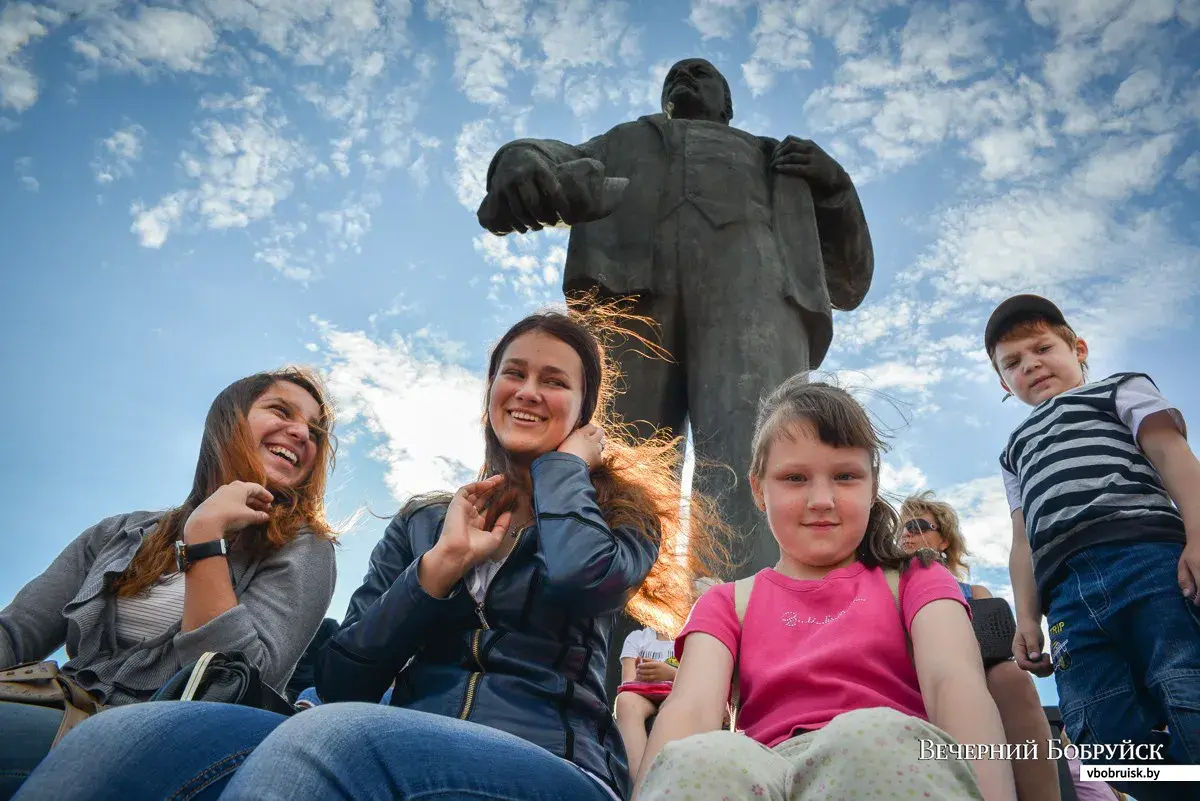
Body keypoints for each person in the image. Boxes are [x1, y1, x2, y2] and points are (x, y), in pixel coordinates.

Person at [17, 305, 730, 801]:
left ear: (583, 413)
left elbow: (579, 575)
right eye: (515, 372)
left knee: (330, 739)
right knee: (129, 736)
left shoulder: (617, 513)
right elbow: (346, 673)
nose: (529, 391)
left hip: (551, 765)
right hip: (391, 728)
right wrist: (436, 570)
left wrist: (566, 469)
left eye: (556, 381)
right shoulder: (424, 521)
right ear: (488, 394)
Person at [633, 376, 1017, 801]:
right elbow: (691, 709)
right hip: (765, 772)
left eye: (845, 476)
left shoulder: (916, 579)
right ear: (760, 490)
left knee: (869, 736)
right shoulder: (727, 603)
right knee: (700, 758)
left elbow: (954, 682)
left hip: (890, 763)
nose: (821, 499)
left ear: (872, 487)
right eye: (795, 478)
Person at [1, 367, 338, 801]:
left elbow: (226, 681)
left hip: (168, 737)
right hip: (54, 703)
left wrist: (205, 539)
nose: (300, 434)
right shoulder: (119, 532)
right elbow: (17, 631)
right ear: (229, 422)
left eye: (314, 430)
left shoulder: (305, 547)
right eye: (280, 410)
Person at [986, 295, 1200, 801]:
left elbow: (1173, 454)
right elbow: (1023, 540)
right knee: (1102, 736)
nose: (1031, 364)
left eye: (1042, 348)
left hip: (1149, 562)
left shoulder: (1119, 389)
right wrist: (1026, 618)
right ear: (1002, 383)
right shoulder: (1014, 449)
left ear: (1078, 348)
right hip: (1067, 600)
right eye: (1013, 363)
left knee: (1185, 686)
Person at [900, 491, 1061, 801]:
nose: (907, 534)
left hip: (979, 674)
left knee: (1010, 677)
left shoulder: (975, 591)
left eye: (918, 526)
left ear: (943, 540)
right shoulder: (890, 583)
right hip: (915, 676)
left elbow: (998, 644)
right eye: (903, 529)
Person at [614, 625, 677, 776]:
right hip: (643, 696)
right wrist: (643, 676)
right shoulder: (637, 638)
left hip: (677, 695)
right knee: (624, 701)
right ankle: (640, 784)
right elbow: (628, 683)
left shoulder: (691, 636)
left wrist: (672, 674)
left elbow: (699, 680)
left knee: (674, 710)